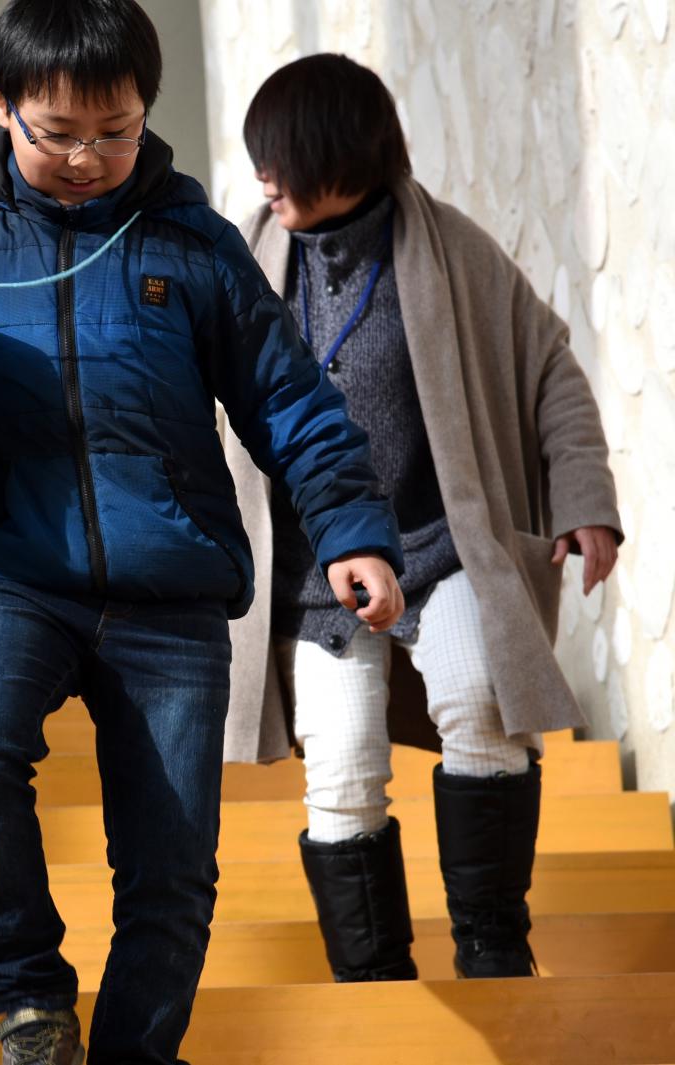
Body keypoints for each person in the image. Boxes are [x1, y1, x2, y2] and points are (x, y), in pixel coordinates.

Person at [0, 2, 410, 1061]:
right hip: (2, 571)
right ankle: (30, 1001)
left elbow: (292, 402)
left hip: (170, 590)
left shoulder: (193, 242)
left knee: (171, 870)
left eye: (116, 131)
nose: (88, 157)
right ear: (0, 104)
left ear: (146, 111)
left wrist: (352, 530)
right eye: (59, 132)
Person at [224, 54, 621, 985]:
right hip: (314, 575)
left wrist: (584, 499)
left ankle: (494, 949)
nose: (264, 177)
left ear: (342, 154)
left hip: (442, 550)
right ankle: (376, 992)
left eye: (280, 158)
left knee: (481, 704)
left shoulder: (449, 248)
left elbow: (549, 365)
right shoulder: (243, 261)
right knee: (343, 767)